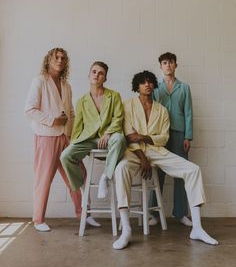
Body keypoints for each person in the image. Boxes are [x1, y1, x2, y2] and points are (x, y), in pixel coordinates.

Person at [113, 70, 218, 250]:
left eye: (150, 82)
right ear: (137, 86)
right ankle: (127, 230)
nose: (147, 85)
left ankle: (198, 228)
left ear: (154, 85)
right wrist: (143, 157)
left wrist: (144, 137)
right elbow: (129, 136)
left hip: (156, 151)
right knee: (120, 170)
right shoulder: (127, 105)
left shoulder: (162, 110)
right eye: (143, 82)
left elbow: (163, 138)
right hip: (135, 153)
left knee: (193, 170)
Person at [25, 47, 85, 232]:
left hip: (65, 138)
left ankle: (83, 214)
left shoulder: (66, 84)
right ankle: (38, 219)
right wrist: (53, 120)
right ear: (48, 60)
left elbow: (71, 113)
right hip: (46, 137)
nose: (60, 60)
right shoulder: (39, 81)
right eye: (56, 57)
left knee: (78, 175)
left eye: (63, 58)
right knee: (44, 179)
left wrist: (71, 135)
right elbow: (30, 109)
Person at [60, 61, 126, 207]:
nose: (97, 75)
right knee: (65, 156)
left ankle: (106, 176)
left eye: (101, 73)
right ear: (89, 75)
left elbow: (118, 118)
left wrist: (108, 133)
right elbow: (78, 127)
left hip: (109, 137)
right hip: (89, 139)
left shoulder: (114, 96)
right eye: (94, 72)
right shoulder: (81, 101)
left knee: (120, 138)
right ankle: (83, 187)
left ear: (105, 78)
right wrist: (74, 144)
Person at [149, 52, 193, 227]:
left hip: (179, 133)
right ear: (160, 66)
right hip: (160, 135)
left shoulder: (184, 88)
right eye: (164, 63)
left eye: (171, 62)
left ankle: (181, 213)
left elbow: (189, 113)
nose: (168, 65)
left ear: (176, 65)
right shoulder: (155, 88)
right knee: (156, 172)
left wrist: (188, 136)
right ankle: (153, 213)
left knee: (181, 173)